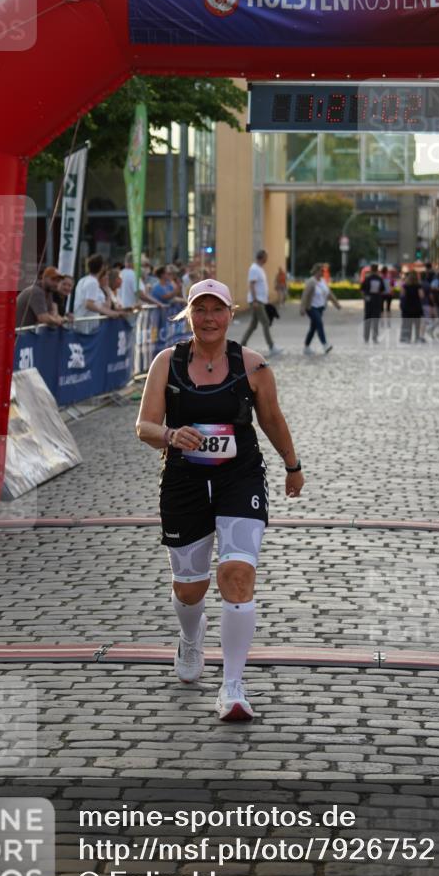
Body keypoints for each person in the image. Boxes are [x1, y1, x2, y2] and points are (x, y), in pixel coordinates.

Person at [135, 278, 303, 722]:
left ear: (231, 315)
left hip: (239, 477)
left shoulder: (253, 365)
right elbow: (144, 426)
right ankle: (191, 637)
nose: (209, 318)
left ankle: (233, 686)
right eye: (200, 310)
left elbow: (271, 418)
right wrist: (171, 434)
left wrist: (292, 464)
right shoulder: (165, 363)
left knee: (236, 573)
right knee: (190, 589)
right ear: (187, 315)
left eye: (217, 310)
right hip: (184, 480)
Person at [241, 249, 284, 357]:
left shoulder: (259, 269)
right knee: (265, 322)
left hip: (260, 300)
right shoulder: (254, 269)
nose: (267, 259)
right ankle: (271, 346)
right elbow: (252, 285)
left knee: (253, 325)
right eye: (266, 257)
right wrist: (255, 300)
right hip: (257, 301)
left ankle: (241, 345)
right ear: (262, 257)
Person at [299, 262, 341, 355]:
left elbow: (329, 293)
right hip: (311, 308)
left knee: (313, 328)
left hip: (320, 308)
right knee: (319, 323)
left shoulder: (323, 281)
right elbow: (305, 295)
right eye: (322, 270)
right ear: (317, 271)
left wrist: (336, 304)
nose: (323, 272)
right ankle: (325, 344)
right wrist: (302, 308)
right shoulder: (311, 281)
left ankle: (306, 347)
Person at [74, 256, 122, 331]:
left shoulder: (83, 280)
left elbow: (98, 304)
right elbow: (89, 304)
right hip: (87, 326)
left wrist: (107, 290)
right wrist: (109, 313)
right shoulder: (93, 282)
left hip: (85, 323)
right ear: (102, 267)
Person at [360, 263, 385, 343]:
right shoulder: (379, 279)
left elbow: (362, 289)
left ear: (371, 269)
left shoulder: (367, 278)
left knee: (367, 318)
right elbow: (382, 290)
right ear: (377, 270)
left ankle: (366, 337)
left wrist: (365, 297)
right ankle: (374, 337)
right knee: (375, 319)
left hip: (368, 300)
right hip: (377, 300)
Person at [399, 270, 425, 343]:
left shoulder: (405, 286)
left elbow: (402, 295)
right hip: (416, 307)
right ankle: (417, 338)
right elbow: (421, 296)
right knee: (417, 324)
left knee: (407, 323)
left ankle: (407, 338)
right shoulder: (418, 286)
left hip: (407, 307)